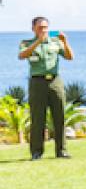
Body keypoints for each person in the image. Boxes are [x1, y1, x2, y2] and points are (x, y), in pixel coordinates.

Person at [18, 17, 73, 159]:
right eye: (40, 27)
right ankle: (36, 152)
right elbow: (22, 55)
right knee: (38, 118)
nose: (43, 30)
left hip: (55, 81)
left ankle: (61, 150)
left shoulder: (55, 42)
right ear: (33, 29)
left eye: (45, 27)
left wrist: (65, 41)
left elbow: (69, 57)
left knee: (59, 116)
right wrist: (38, 42)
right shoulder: (26, 43)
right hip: (37, 82)